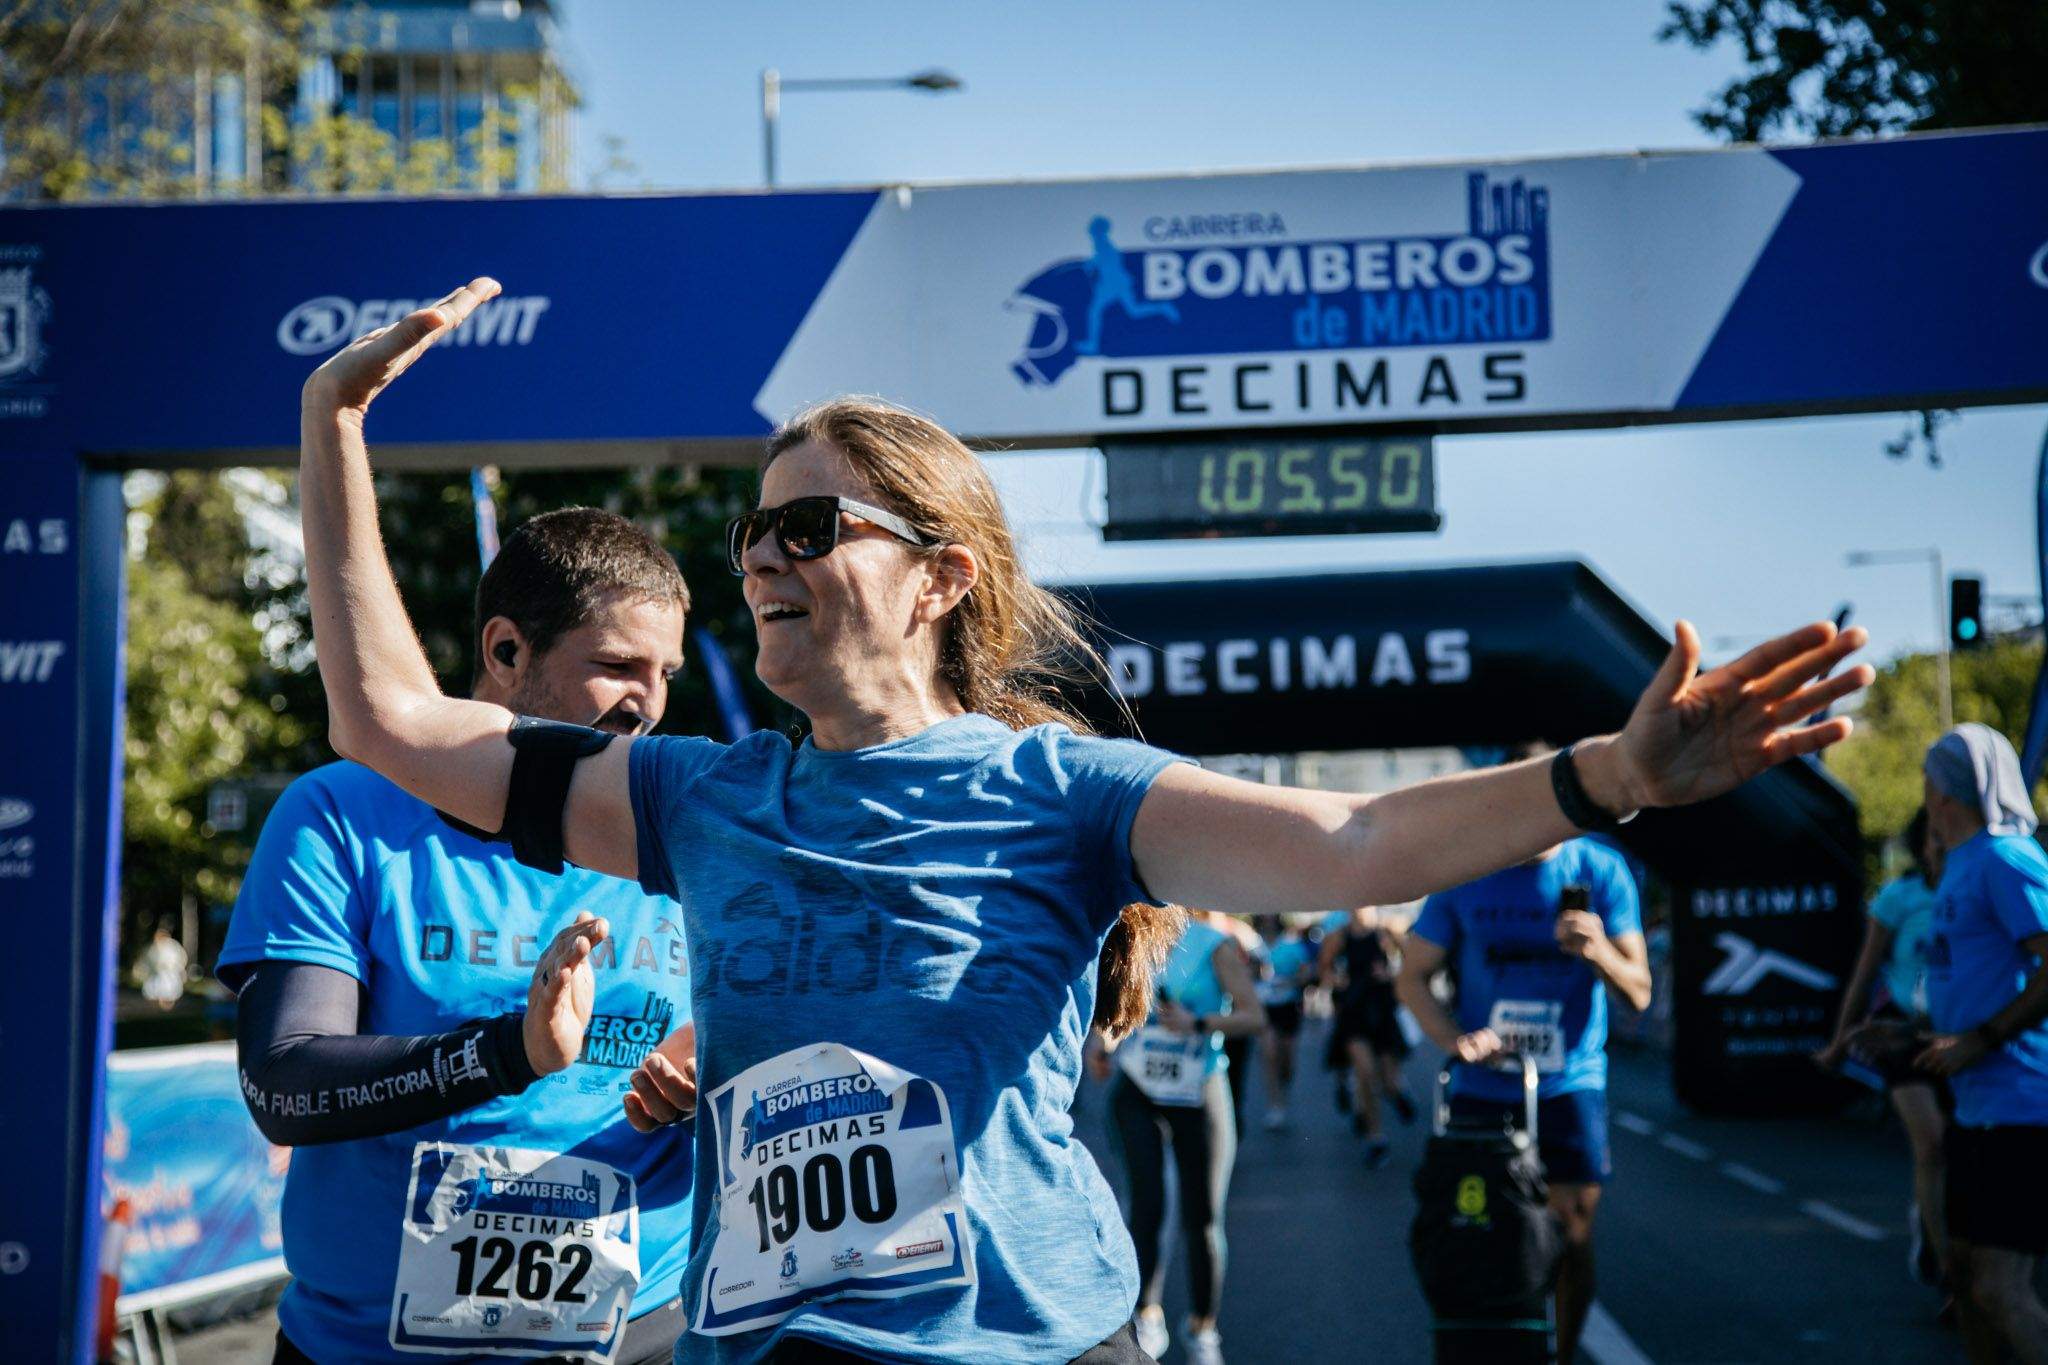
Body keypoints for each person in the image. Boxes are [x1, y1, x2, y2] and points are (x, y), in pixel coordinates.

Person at [294, 278, 1869, 1364]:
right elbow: (392, 722)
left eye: (805, 526)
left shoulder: (1061, 792)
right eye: (748, 531)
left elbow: (1353, 847)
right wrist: (335, 436)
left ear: (940, 578)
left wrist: (1614, 778)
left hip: (1025, 1336)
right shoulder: (699, 796)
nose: (760, 557)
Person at [218, 507, 702, 1364]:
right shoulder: (343, 813)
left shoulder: (678, 824)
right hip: (367, 1348)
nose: (648, 704)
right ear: (507, 650)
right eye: (617, 666)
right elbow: (284, 1080)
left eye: (664, 671)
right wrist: (507, 1053)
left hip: (641, 1338)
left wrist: (712, 1072)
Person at [1396, 836, 1651, 1365]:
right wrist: (1453, 1039)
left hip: (1568, 1081)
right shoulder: (1464, 869)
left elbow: (1640, 992)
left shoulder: (1600, 869)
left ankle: (1559, 1354)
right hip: (1483, 1085)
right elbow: (1412, 976)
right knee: (1474, 1229)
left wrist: (1598, 950)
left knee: (1572, 1234)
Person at [1913, 724, 2048, 1364]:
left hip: (2025, 1107)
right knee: (1964, 1278)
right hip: (1978, 1109)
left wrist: (1981, 1039)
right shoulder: (1961, 865)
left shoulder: (2006, 858)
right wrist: (1912, 1037)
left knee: (1999, 1286)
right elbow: (1978, 979)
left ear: (1943, 791)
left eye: (1927, 780)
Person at [1090, 916, 1265, 1364]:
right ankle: (1148, 1312)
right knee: (1145, 1203)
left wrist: (1199, 1022)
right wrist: (1102, 1045)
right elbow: (1114, 1014)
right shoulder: (1132, 935)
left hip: (1199, 1090)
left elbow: (1253, 1016)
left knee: (1203, 1217)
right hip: (1139, 1091)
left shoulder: (1215, 947)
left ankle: (1203, 1328)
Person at [1815, 807, 1950, 1295]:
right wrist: (1838, 1043)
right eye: (1933, 838)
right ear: (1920, 846)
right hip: (1901, 1035)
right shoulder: (1899, 897)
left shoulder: (1978, 891)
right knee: (1931, 1141)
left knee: (1963, 1150)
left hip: (1963, 1035)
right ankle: (1945, 1269)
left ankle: (1936, 1222)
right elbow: (1864, 972)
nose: (1942, 847)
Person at [1318, 906, 1416, 1167]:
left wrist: (1391, 974)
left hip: (1382, 1011)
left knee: (1388, 1080)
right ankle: (1376, 1138)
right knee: (1365, 1072)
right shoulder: (1338, 936)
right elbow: (1324, 970)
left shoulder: (1386, 931)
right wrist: (1335, 981)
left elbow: (1414, 965)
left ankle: (1398, 1094)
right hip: (1354, 1012)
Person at [1199, 910, 1266, 1129]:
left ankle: (1231, 1122)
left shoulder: (1238, 931)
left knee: (1233, 1076)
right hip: (1199, 1022)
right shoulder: (1190, 931)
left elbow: (1262, 967)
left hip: (1233, 1020)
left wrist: (1238, 975)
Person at [1253, 915, 1316, 1131]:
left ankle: (1284, 1086)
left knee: (1287, 1058)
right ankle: (1275, 1105)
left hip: (1288, 1006)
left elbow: (1307, 973)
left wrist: (1288, 982)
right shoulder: (1253, 944)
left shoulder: (1292, 945)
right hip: (1265, 1007)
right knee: (1269, 1053)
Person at [138, 926, 189, 1011]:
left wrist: (176, 967)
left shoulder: (173, 946)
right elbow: (148, 959)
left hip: (169, 975)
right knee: (155, 992)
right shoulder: (153, 947)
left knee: (169, 992)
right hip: (156, 975)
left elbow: (181, 958)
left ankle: (167, 1007)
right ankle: (156, 1009)